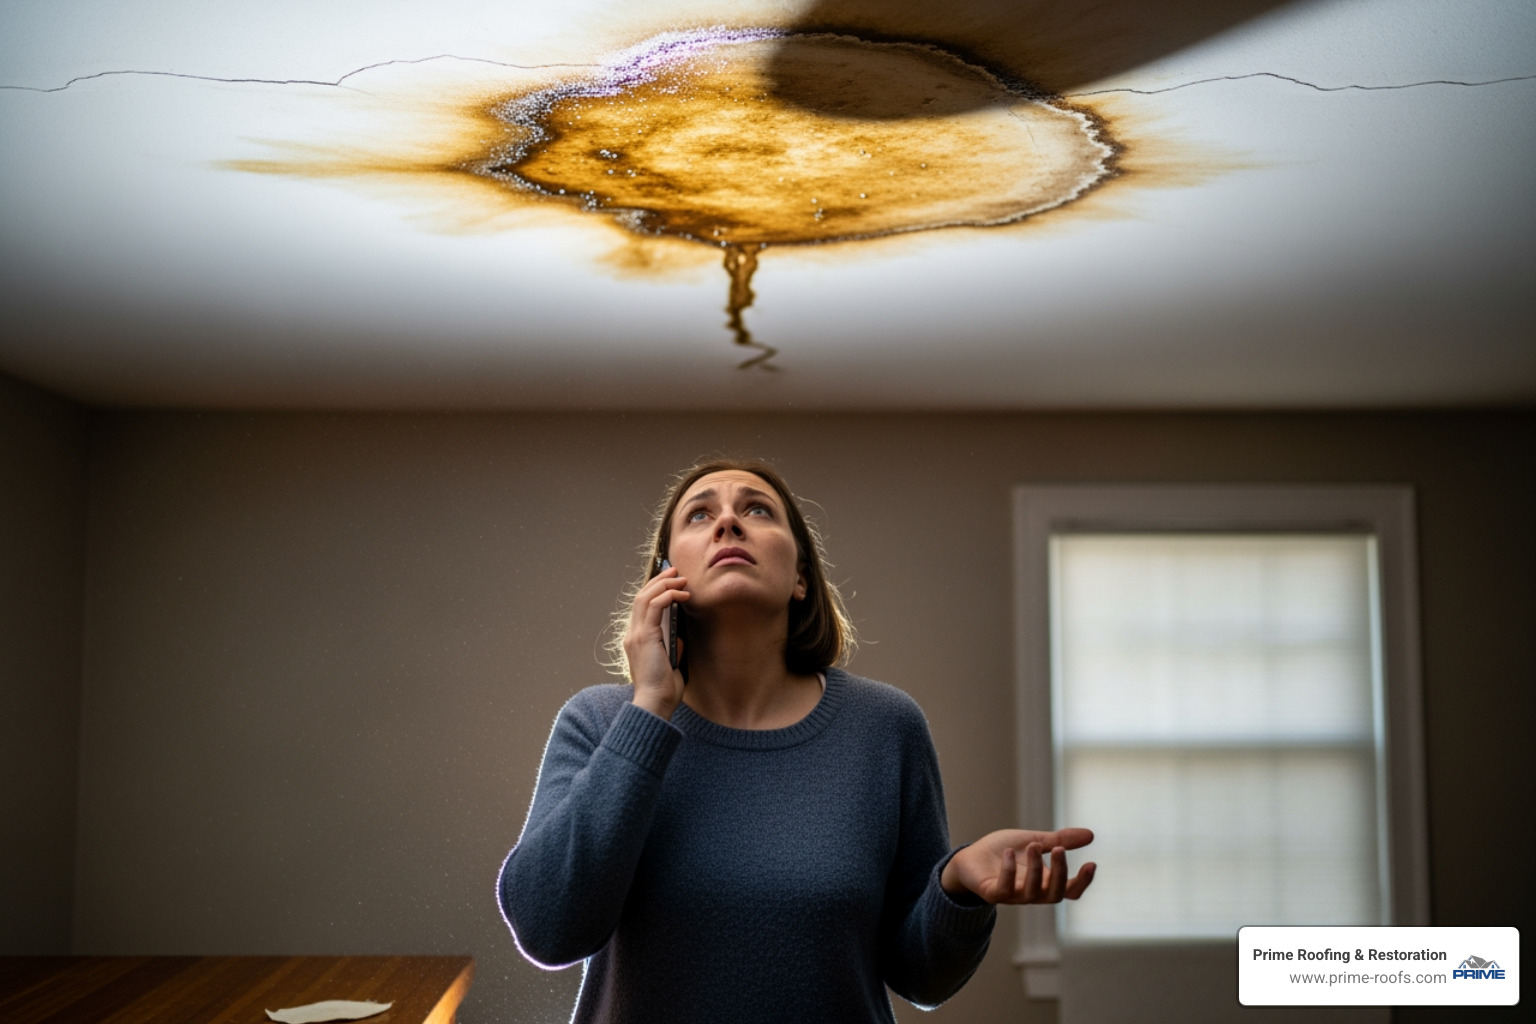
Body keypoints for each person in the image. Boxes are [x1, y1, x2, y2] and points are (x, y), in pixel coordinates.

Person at [497, 458, 1095, 1024]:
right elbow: (550, 931)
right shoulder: (601, 722)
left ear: (801, 578)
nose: (728, 520)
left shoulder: (886, 727)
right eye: (699, 515)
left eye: (757, 510)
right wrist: (650, 709)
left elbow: (920, 978)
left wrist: (958, 885)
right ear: (665, 577)